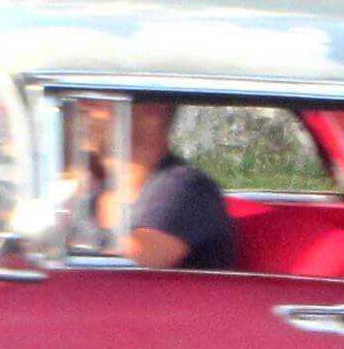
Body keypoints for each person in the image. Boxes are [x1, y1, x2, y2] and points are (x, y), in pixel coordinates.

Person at [75, 100, 237, 270]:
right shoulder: (96, 192)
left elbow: (125, 268)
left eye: (98, 102)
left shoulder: (187, 190)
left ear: (152, 109)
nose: (83, 106)